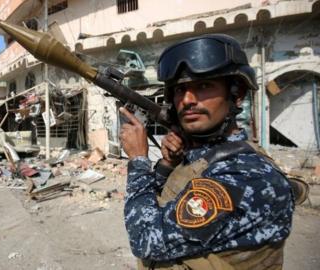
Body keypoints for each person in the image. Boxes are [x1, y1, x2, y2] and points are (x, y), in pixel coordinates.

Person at [119, 34, 295, 270]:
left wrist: (139, 160)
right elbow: (160, 206)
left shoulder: (242, 175)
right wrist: (167, 166)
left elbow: (145, 239)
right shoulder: (207, 155)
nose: (187, 100)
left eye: (203, 86)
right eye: (180, 89)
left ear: (237, 93)